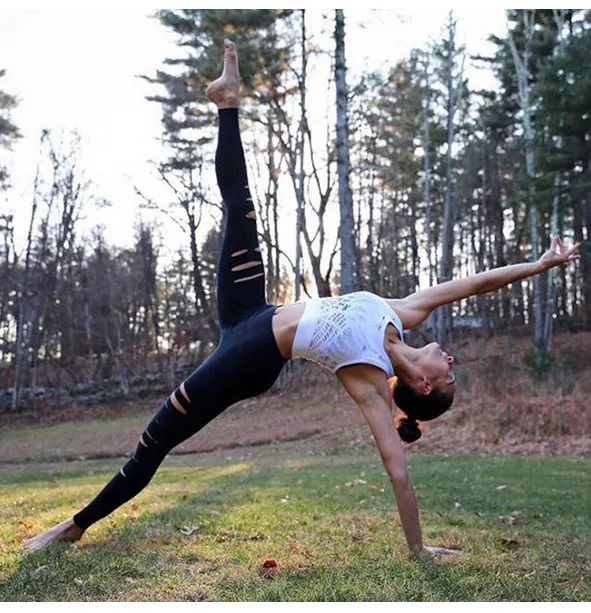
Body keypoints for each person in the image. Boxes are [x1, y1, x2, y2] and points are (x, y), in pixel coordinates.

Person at [23, 40, 580, 557]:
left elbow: (397, 471)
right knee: (241, 208)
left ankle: (74, 526)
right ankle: (227, 102)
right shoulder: (402, 313)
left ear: (425, 385)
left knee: (155, 439)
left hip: (247, 358)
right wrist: (540, 264)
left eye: (450, 374)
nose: (451, 359)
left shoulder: (369, 380)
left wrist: (418, 549)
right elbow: (475, 282)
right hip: (251, 311)